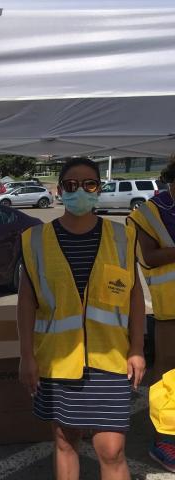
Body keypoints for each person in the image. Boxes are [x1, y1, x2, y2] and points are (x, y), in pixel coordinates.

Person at [18, 157, 146, 480]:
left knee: (112, 449)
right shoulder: (35, 241)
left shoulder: (122, 237)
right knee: (64, 442)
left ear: (98, 189)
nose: (80, 191)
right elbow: (26, 300)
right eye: (71, 185)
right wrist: (26, 355)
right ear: (60, 190)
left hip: (111, 359)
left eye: (88, 184)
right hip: (58, 361)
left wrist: (138, 348)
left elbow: (133, 296)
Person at [127, 158, 175, 472]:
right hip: (170, 309)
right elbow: (150, 256)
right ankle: (165, 438)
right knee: (167, 372)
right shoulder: (147, 212)